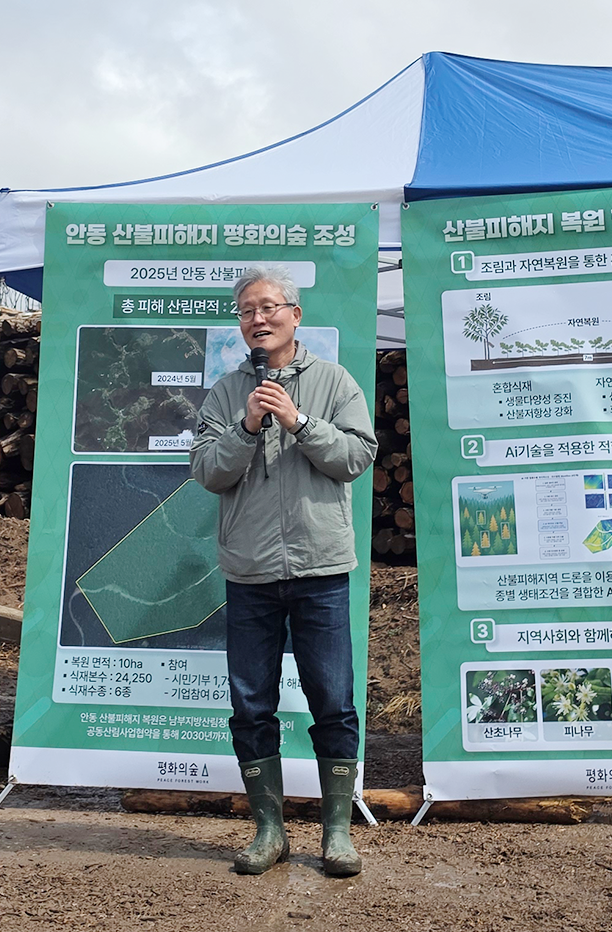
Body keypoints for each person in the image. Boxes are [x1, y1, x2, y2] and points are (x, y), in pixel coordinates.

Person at [190, 265, 377, 876]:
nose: (257, 319)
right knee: (250, 705)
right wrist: (247, 427)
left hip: (321, 568)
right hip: (250, 571)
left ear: (295, 315)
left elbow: (357, 457)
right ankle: (268, 830)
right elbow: (207, 471)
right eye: (246, 311)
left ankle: (337, 833)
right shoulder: (226, 393)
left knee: (333, 702)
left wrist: (299, 422)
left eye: (268, 307)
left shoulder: (334, 381)